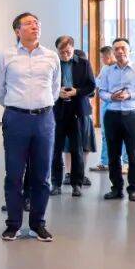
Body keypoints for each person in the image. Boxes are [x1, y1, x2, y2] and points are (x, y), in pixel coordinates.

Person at [0, 13, 60, 242]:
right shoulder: (6, 56)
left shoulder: (51, 56)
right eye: (29, 23)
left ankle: (38, 224)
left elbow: (55, 89)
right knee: (14, 174)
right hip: (16, 119)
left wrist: (40, 106)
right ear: (17, 31)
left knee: (42, 175)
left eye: (37, 23)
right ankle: (13, 224)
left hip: (44, 119)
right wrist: (16, 105)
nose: (34, 26)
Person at [96, 38, 135, 203]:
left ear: (129, 51)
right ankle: (116, 188)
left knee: (134, 154)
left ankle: (133, 189)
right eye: (116, 49)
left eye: (123, 48)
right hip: (112, 115)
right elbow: (101, 91)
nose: (120, 51)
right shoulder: (107, 71)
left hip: (132, 116)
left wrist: (130, 95)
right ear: (113, 52)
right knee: (113, 155)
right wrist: (111, 97)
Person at [50, 36, 96, 198]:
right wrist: (57, 92)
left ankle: (77, 184)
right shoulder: (53, 64)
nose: (65, 55)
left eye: (68, 52)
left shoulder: (83, 63)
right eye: (61, 52)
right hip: (58, 110)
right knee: (56, 150)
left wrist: (76, 91)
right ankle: (56, 184)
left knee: (77, 149)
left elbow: (91, 86)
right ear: (57, 50)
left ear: (73, 49)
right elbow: (45, 85)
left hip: (77, 111)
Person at [90, 46, 125, 173]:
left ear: (109, 56)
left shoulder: (120, 68)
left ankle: (125, 163)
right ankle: (105, 162)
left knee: (122, 134)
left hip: (119, 106)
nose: (102, 59)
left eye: (102, 57)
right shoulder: (105, 68)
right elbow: (97, 83)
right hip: (106, 104)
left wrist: (102, 84)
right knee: (105, 134)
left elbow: (112, 87)